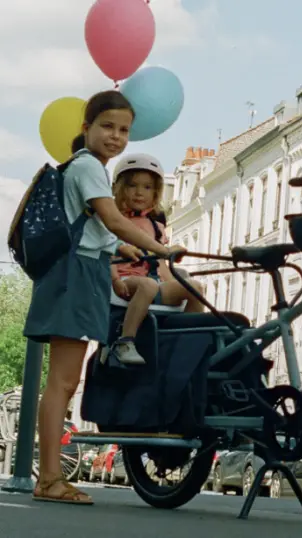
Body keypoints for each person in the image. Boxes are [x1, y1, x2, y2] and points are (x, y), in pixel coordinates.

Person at [23, 90, 186, 505]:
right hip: (76, 276)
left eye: (124, 130)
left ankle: (50, 477)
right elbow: (112, 218)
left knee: (64, 379)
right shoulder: (89, 168)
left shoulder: (83, 168)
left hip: (84, 271)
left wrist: (123, 249)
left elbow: (96, 228)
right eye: (107, 126)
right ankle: (50, 479)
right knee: (61, 381)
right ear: (86, 129)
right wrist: (161, 250)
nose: (116, 136)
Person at [110, 153, 207, 365]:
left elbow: (160, 266)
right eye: (132, 186)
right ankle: (125, 341)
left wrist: (177, 281)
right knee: (147, 285)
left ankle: (185, 342)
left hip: (152, 282)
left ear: (155, 193)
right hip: (125, 282)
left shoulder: (156, 227)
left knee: (195, 287)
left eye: (147, 187)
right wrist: (115, 279)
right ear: (119, 188)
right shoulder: (113, 222)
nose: (139, 192)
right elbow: (104, 254)